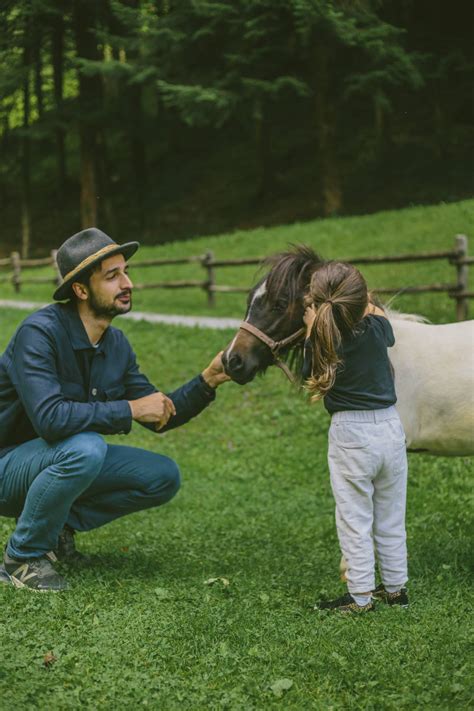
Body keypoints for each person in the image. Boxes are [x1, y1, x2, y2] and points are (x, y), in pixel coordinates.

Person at [0, 228, 229, 591]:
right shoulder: (39, 334)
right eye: (113, 276)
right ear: (80, 289)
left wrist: (209, 380)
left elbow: (159, 413)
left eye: (125, 271)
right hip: (7, 466)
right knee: (86, 447)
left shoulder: (116, 344)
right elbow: (51, 420)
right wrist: (129, 408)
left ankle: (55, 526)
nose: (128, 283)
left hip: (63, 460)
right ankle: (22, 557)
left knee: (162, 475)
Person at [302, 261, 408, 613]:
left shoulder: (318, 337)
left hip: (351, 433)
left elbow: (308, 370)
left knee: (355, 518)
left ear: (317, 305)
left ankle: (360, 596)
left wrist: (310, 327)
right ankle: (396, 590)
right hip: (391, 428)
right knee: (391, 516)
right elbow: (377, 313)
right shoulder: (378, 327)